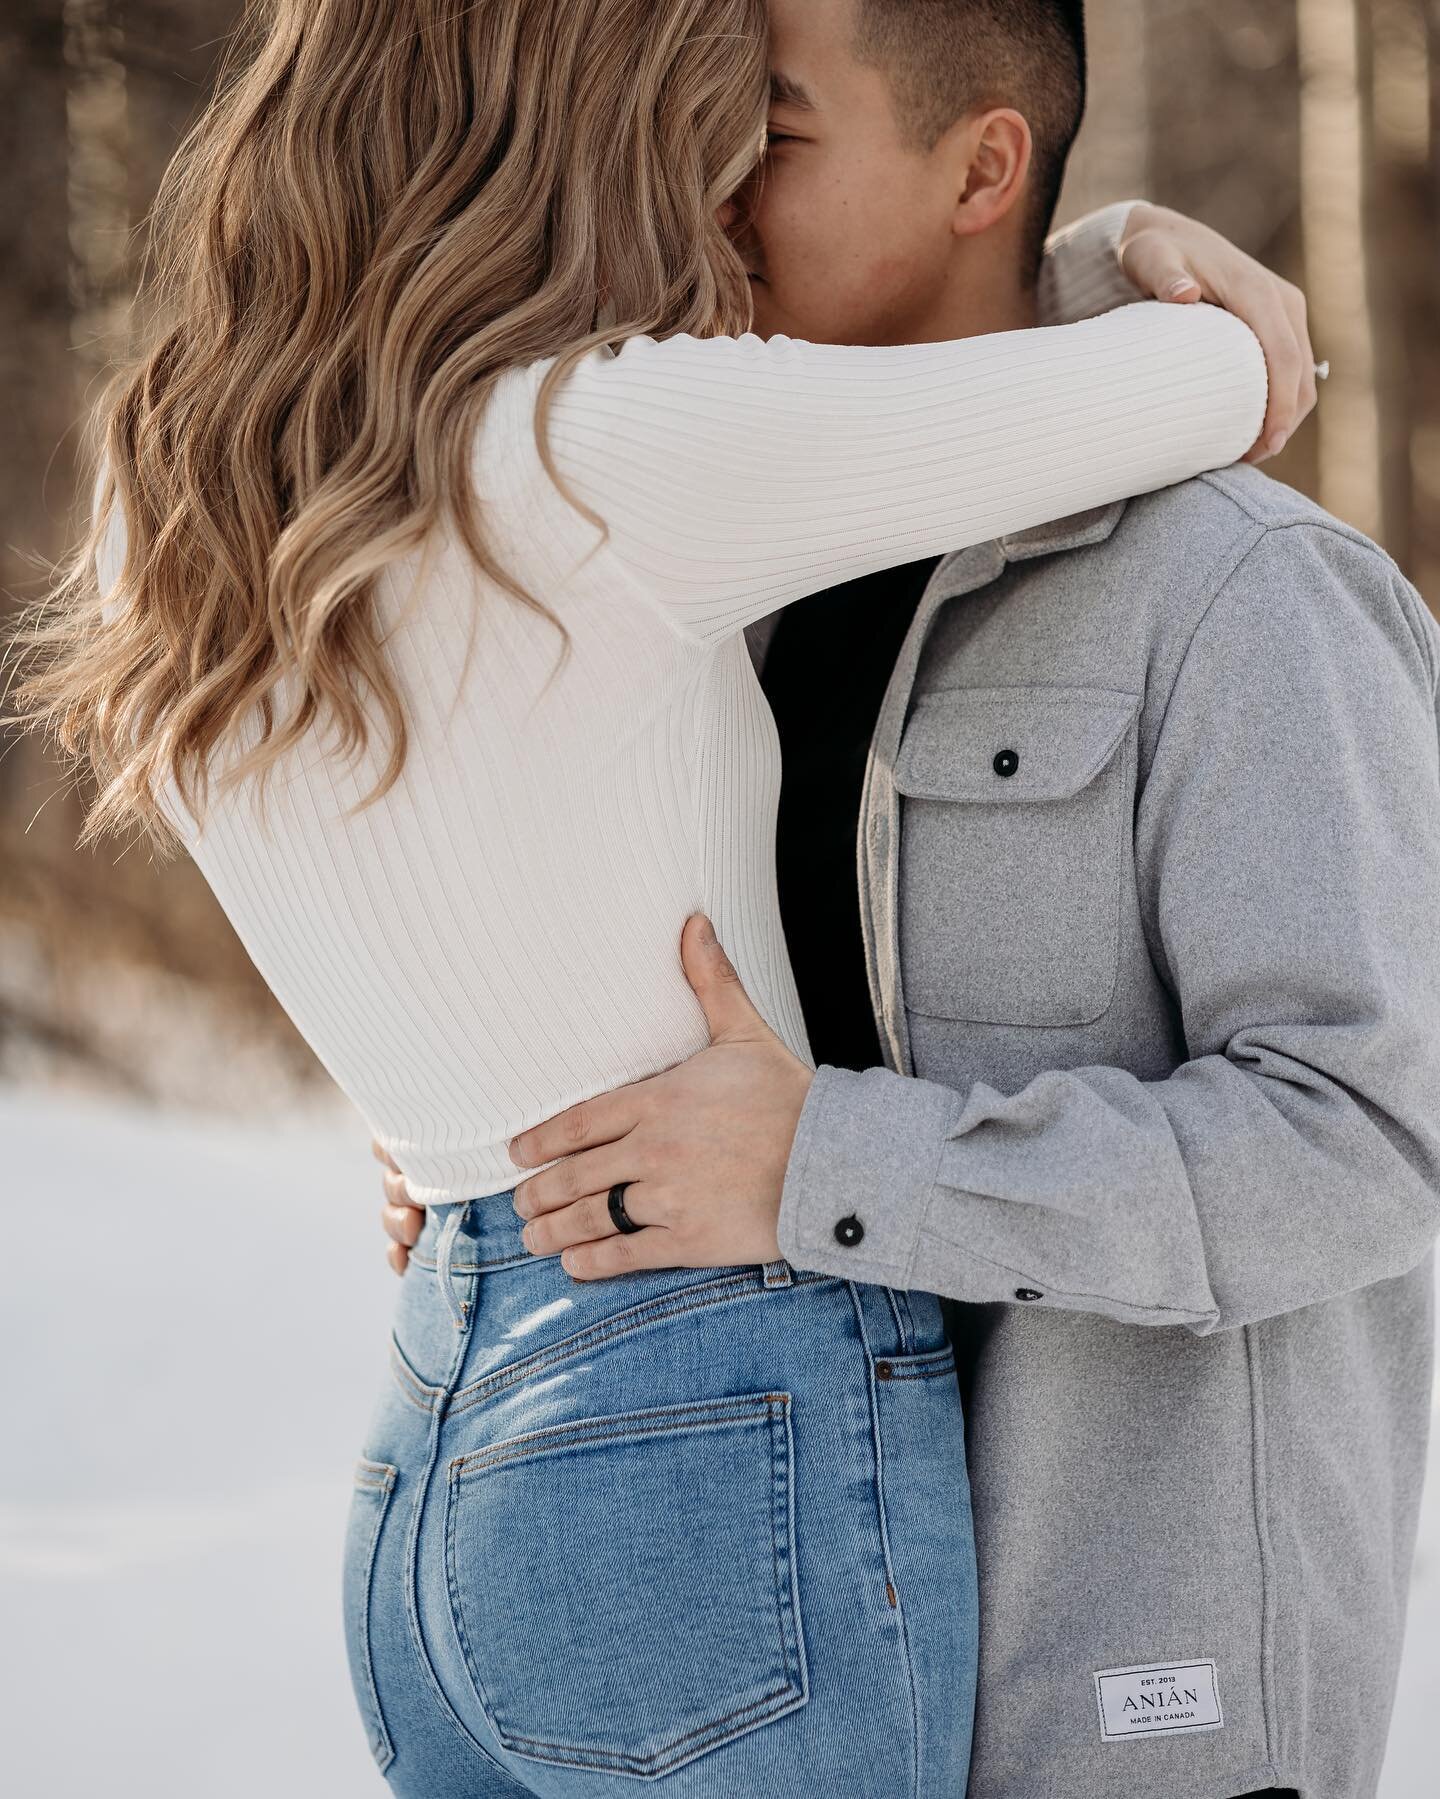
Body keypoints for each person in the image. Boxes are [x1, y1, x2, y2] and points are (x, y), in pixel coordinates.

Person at [15, 0, 1317, 1794]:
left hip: (430, 1448)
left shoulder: (177, 482)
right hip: (698, 1421)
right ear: (594, 123)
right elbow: (1237, 377)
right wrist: (1111, 252)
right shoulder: (613, 451)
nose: (718, 176)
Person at [432, 4, 1440, 1798]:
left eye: (776, 134)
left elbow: (1375, 1137)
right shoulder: (729, 576)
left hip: (1120, 1700)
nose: (713, 191)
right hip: (785, 1662)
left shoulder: (1247, 596)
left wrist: (834, 1165)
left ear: (983, 167)